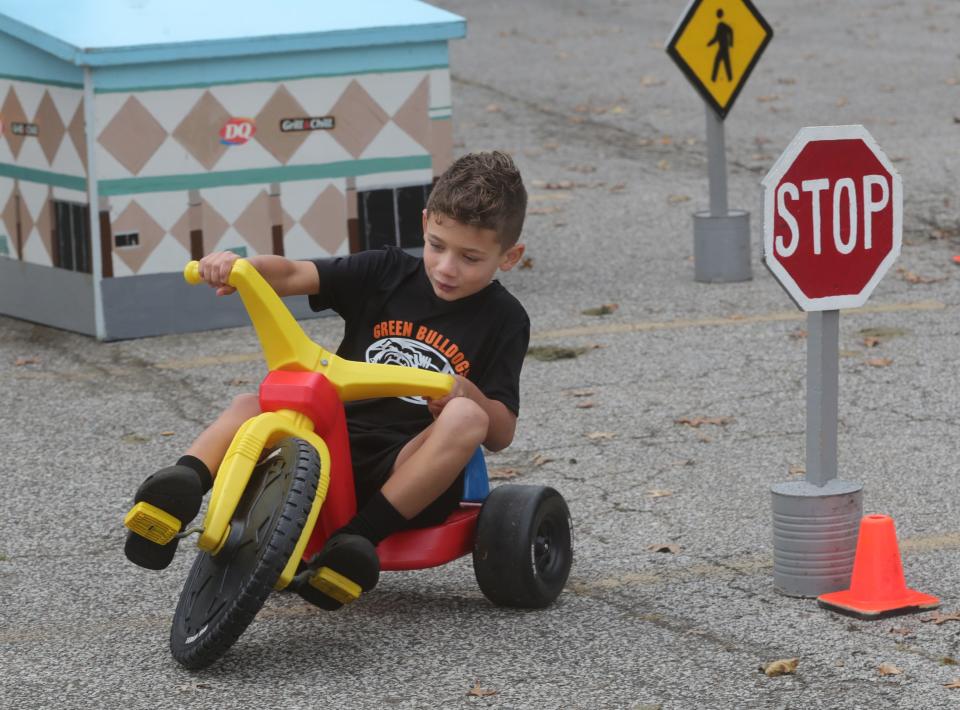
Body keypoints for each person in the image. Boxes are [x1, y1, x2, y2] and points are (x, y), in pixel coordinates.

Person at [124, 151, 530, 611]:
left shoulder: (504, 319)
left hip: (406, 466)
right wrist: (243, 269)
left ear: (509, 256)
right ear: (423, 224)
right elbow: (296, 273)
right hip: (327, 441)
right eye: (437, 245)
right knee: (253, 402)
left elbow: (500, 433)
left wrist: (466, 392)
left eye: (470, 257)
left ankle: (355, 544)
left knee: (466, 417)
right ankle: (177, 490)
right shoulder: (386, 272)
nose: (446, 267)